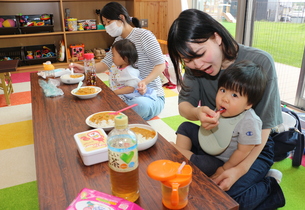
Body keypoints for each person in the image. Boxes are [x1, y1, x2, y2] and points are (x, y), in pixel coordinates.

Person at [167, 9, 285, 210]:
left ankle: (269, 184)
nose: (196, 65)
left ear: (217, 37)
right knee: (195, 182)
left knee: (223, 199)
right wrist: (197, 113)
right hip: (215, 135)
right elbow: (184, 106)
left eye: (200, 54)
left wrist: (239, 169)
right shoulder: (195, 67)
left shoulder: (261, 62)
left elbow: (265, 127)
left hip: (253, 144)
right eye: (187, 60)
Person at [71, 2, 165, 120]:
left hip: (149, 96)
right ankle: (117, 113)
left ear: (121, 18)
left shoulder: (144, 36)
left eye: (108, 22)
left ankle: (116, 113)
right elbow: (105, 63)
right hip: (125, 94)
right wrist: (85, 69)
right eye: (104, 24)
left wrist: (144, 82)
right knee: (104, 99)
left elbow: (160, 64)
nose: (106, 27)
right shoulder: (117, 41)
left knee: (140, 105)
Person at [173, 60, 267, 179]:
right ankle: (182, 159)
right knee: (185, 127)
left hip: (219, 160)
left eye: (234, 95)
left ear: (248, 104)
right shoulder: (223, 108)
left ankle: (179, 154)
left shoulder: (249, 122)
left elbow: (243, 151)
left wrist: (224, 168)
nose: (224, 98)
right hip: (207, 143)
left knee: (203, 164)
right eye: (223, 90)